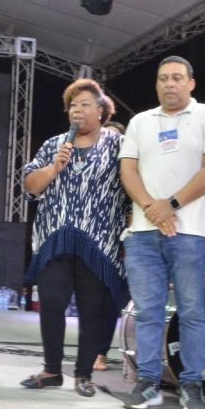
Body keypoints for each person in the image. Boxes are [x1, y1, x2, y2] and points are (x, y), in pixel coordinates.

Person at [118, 55, 205, 409]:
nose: (170, 84)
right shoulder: (139, 122)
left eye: (177, 78)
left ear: (191, 83)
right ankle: (148, 382)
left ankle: (192, 385)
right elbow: (128, 170)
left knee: (193, 312)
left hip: (191, 233)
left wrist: (173, 204)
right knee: (149, 312)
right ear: (156, 84)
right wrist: (153, 207)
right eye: (163, 78)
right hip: (143, 233)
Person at [19, 79, 128, 397]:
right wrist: (55, 168)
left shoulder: (118, 144)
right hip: (55, 236)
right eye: (73, 106)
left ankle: (83, 375)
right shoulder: (54, 145)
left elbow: (130, 183)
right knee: (51, 302)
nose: (77, 111)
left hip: (98, 238)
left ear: (102, 110)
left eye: (85, 105)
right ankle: (52, 370)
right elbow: (30, 185)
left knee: (92, 306)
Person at [96, 117, 126, 371]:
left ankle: (101, 353)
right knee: (92, 300)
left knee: (111, 301)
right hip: (96, 245)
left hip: (123, 246)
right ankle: (92, 350)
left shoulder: (129, 174)